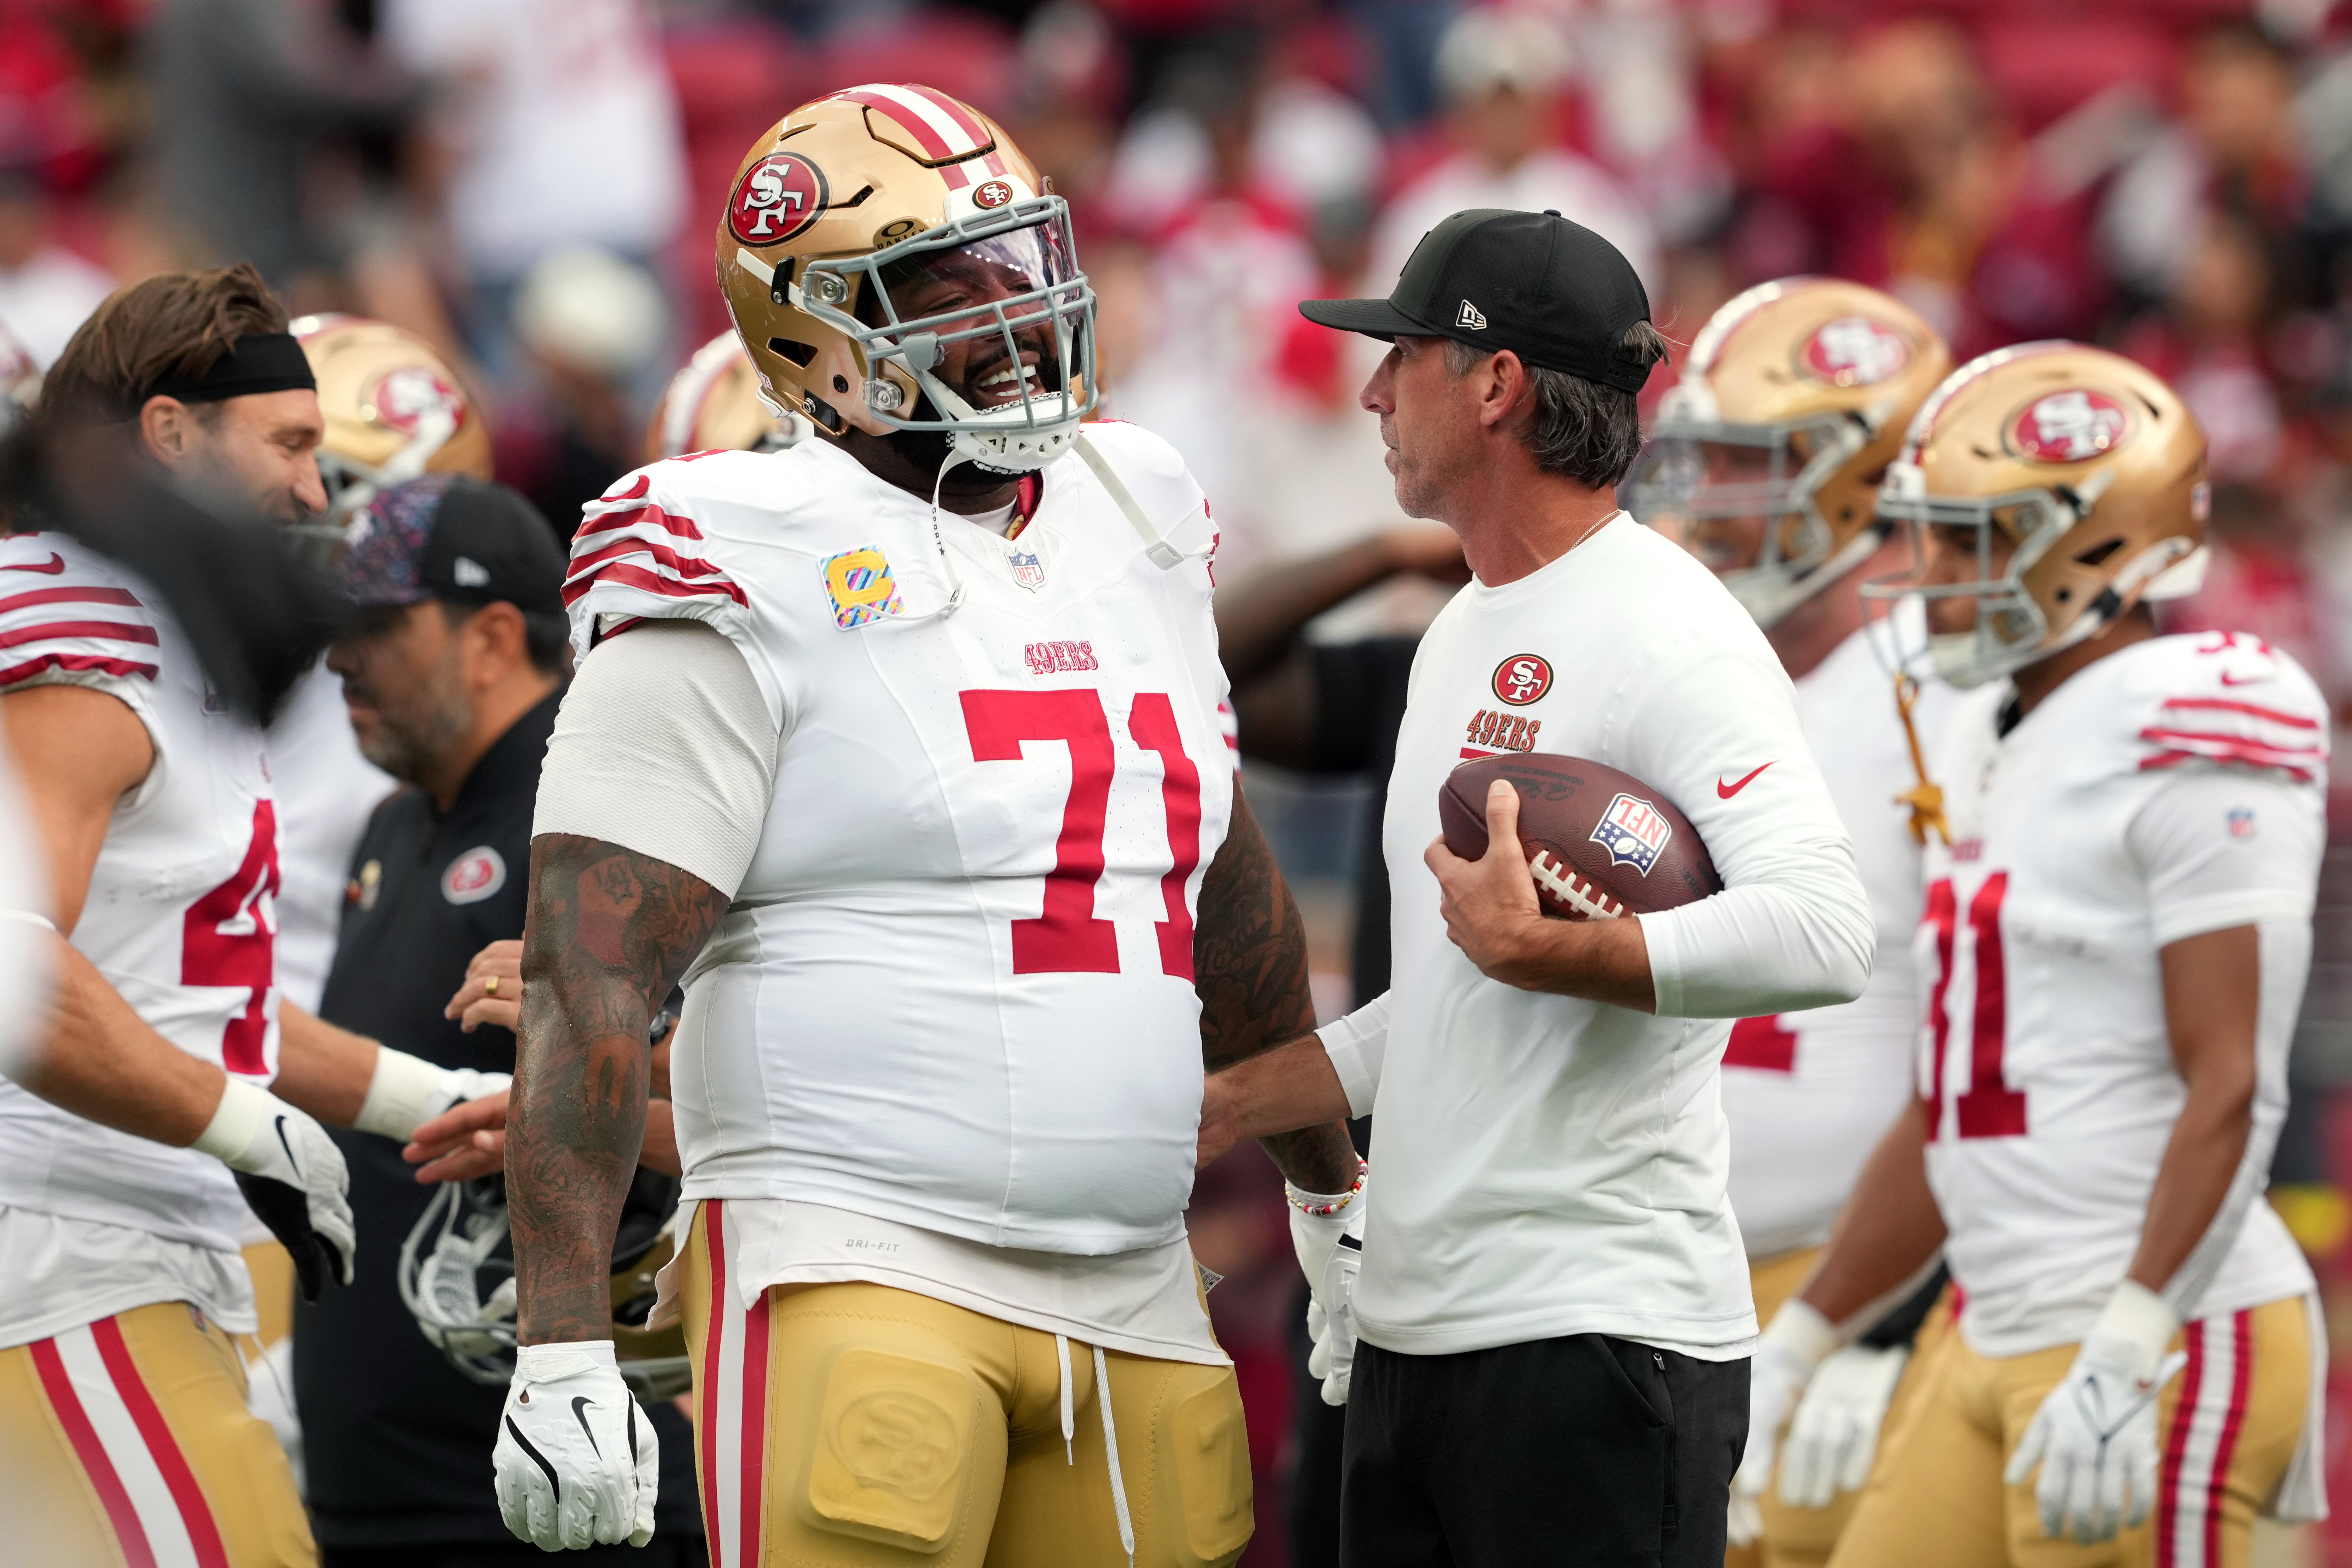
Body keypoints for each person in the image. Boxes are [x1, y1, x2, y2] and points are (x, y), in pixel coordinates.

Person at [485, 84, 1357, 1564]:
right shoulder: (733, 549)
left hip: (1140, 1289)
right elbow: (592, 964)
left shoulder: (1126, 500)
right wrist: (562, 1338)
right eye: (949, 292)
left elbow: (1211, 873)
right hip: (859, 1263)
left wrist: (1332, 1191)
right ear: (814, 334)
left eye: (1023, 268)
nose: (1017, 320)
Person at [1197, 208, 1877, 1568]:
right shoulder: (1462, 622)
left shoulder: (1669, 626)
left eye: (1402, 356)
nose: (1375, 390)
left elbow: (1821, 927)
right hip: (1420, 1337)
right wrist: (1217, 1111)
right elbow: (1460, 999)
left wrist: (1558, 954)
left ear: (1496, 381)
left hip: (1593, 1341)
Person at [1742, 343, 2329, 1568]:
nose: (1931, 582)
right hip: (1989, 1318)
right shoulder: (1989, 734)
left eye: (1970, 543)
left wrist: (2132, 1335)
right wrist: (1804, 1335)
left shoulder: (2195, 715)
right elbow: (1957, 1098)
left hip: (2158, 1326)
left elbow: (2235, 1078)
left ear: (2101, 545)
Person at [0, 265, 503, 1564]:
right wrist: (238, 1125)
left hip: (135, 1249)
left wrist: (437, 1102)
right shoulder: (83, 643)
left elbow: (195, 998)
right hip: (57, 1255)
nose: (308, 490)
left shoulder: (167, 643)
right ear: (170, 435)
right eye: (286, 443)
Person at [284, 472, 701, 1566]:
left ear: (495, 634)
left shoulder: (605, 803)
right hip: (381, 1483)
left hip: (549, 1491)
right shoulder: (390, 826)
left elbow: (745, 1085)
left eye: (378, 625)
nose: (340, 657)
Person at [1622, 276, 1957, 1567]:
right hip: (1659, 1263)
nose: (1704, 500)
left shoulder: (1945, 697)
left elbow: (1999, 1052)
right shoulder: (1679, 658)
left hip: (1857, 1275)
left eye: (1748, 465)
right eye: (1697, 461)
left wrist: (1881, 1315)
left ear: (1868, 478)